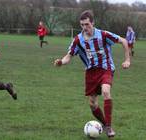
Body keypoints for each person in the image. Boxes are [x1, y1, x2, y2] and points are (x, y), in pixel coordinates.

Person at [54, 10, 130, 138]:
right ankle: (105, 124)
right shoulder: (78, 40)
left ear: (93, 23)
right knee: (92, 104)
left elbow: (123, 41)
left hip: (106, 68)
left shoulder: (103, 35)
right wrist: (61, 62)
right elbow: (69, 56)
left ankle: (109, 127)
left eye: (87, 24)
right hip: (90, 72)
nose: (85, 27)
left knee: (106, 91)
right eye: (82, 25)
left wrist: (127, 59)